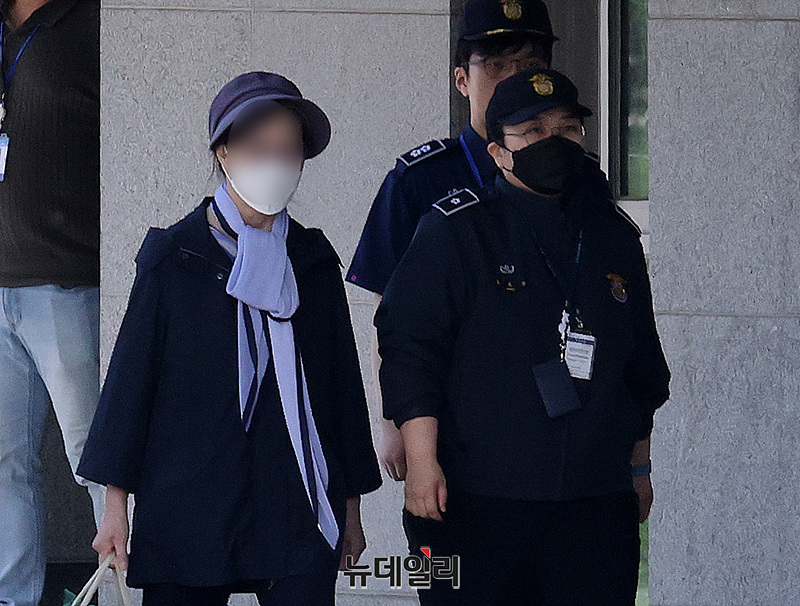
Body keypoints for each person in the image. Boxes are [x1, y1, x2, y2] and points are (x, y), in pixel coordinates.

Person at [77, 71, 382, 606]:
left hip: (294, 503)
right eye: (258, 149)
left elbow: (341, 394)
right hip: (189, 503)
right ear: (223, 151)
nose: (275, 163)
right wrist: (114, 508)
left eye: (288, 151)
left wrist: (350, 508)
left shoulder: (311, 260)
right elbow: (130, 387)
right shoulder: (176, 257)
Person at [375, 68, 671, 605]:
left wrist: (639, 467)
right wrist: (421, 463)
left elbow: (642, 368)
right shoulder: (455, 229)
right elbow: (410, 351)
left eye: (567, 128)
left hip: (594, 502)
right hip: (472, 500)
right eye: (533, 131)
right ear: (498, 152)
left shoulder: (613, 237)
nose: (554, 141)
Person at [0, 0, 101, 604]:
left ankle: (129, 587)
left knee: (96, 456)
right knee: (4, 462)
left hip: (66, 281)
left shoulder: (88, 22)